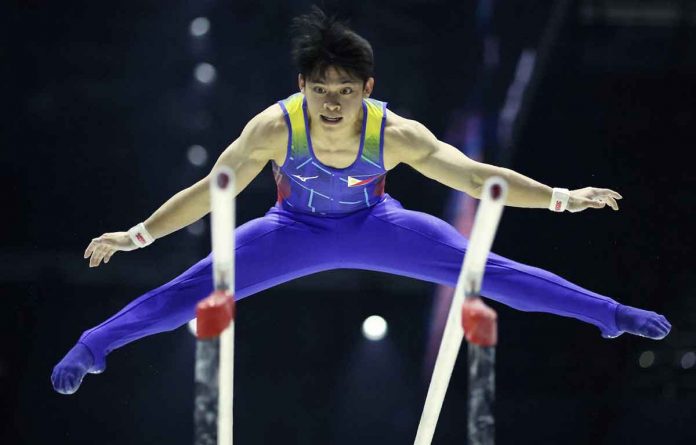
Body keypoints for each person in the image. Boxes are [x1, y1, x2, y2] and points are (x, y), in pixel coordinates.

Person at [52, 6, 671, 395]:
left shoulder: (394, 134)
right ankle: (93, 346)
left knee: (485, 272)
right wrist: (135, 236)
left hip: (379, 225)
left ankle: (609, 315)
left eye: (344, 91)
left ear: (367, 89)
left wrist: (564, 198)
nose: (330, 103)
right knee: (198, 284)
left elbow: (483, 179)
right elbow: (208, 195)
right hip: (290, 230)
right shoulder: (273, 128)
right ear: (301, 86)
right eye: (319, 89)